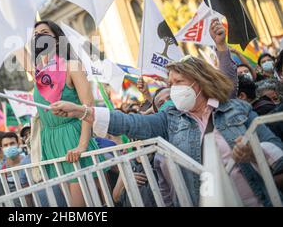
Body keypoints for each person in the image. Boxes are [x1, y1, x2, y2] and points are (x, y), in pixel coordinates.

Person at [50, 55, 283, 207]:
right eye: (169, 85)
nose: (173, 90)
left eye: (178, 82)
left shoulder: (238, 110)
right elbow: (131, 123)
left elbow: (278, 153)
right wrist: (82, 111)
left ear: (199, 82)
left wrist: (255, 154)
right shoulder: (170, 120)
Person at [15, 20, 104, 207]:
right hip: (51, 141)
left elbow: (88, 107)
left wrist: (81, 145)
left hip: (72, 138)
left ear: (56, 40)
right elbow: (17, 48)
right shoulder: (40, 73)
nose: (39, 36)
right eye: (35, 34)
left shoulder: (72, 66)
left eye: (44, 32)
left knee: (81, 205)